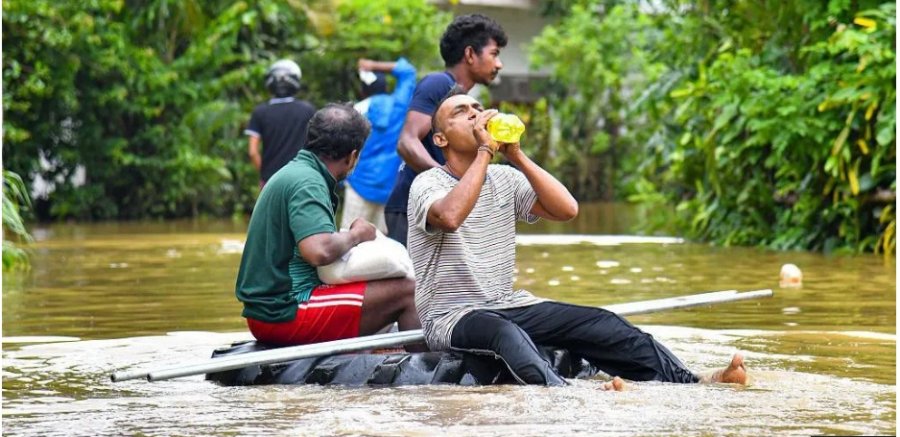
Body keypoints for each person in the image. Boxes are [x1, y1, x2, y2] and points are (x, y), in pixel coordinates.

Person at [407, 91, 749, 389]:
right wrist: (484, 152)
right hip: (452, 316)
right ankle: (569, 395)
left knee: (601, 322)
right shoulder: (428, 183)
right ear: (441, 140)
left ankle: (694, 381)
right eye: (460, 112)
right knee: (503, 334)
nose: (474, 113)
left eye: (476, 106)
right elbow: (450, 217)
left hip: (509, 303)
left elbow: (566, 208)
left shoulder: (505, 178)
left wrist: (516, 155)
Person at [235, 103, 422, 350]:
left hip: (271, 309)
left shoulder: (299, 173)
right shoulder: (308, 182)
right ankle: (426, 375)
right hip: (284, 311)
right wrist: (357, 234)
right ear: (353, 156)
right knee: (408, 291)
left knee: (386, 290)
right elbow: (318, 251)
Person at [383, 14, 507, 246]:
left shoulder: (463, 100)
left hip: (438, 208)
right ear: (470, 54)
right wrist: (451, 181)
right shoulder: (438, 83)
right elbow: (407, 142)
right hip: (414, 208)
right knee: (413, 282)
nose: (498, 64)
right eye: (494, 54)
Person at [340, 57, 418, 233]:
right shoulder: (400, 105)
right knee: (381, 244)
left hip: (359, 183)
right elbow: (408, 71)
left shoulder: (354, 111)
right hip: (389, 187)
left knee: (348, 240)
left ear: (363, 89)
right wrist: (373, 65)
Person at [245, 59, 317, 188]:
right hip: (301, 179)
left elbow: (252, 152)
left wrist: (265, 174)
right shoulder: (307, 110)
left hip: (271, 181)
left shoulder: (260, 112)